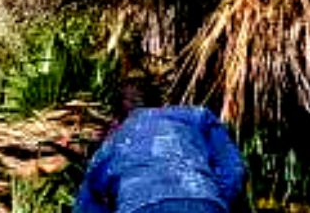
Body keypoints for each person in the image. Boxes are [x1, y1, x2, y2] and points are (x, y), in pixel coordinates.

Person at [74, 83, 249, 213]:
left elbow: (88, 205)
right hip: (203, 201)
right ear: (162, 104)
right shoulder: (196, 117)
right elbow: (233, 169)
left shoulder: (110, 145)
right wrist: (218, 200)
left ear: (117, 118)